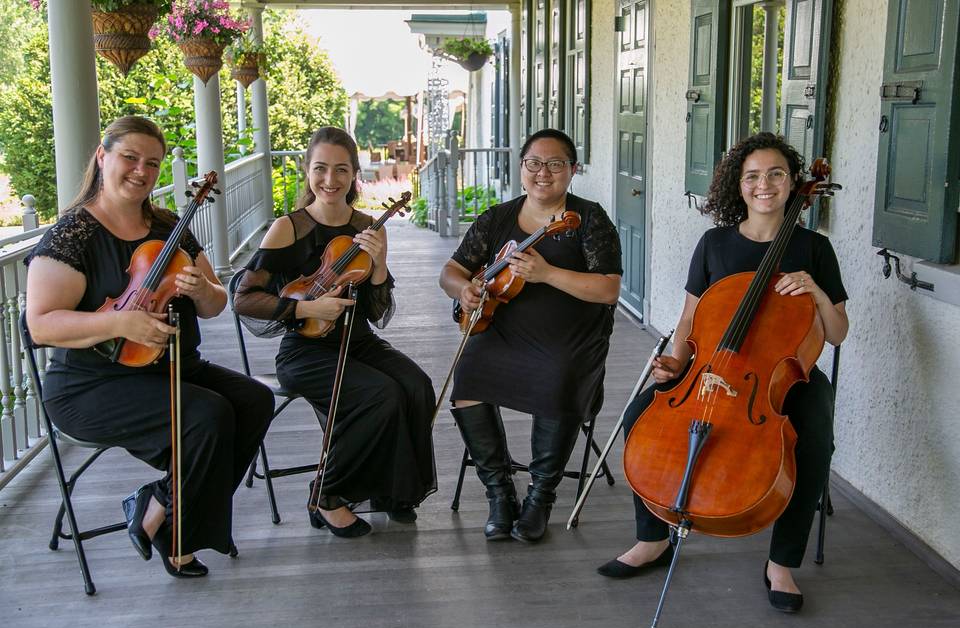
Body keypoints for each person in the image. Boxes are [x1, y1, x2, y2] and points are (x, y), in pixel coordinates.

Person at [597, 132, 848, 613]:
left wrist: (816, 292)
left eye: (776, 174)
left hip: (782, 377)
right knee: (639, 415)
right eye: (752, 176)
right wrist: (675, 364)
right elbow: (692, 321)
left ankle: (781, 563)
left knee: (813, 433)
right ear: (738, 185)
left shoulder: (814, 249)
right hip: (712, 370)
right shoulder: (714, 244)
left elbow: (836, 333)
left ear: (793, 182)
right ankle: (653, 538)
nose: (764, 185)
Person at [24, 115, 275, 578]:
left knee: (255, 400)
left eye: (153, 163)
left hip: (174, 368)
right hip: (93, 383)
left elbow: (216, 303)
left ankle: (161, 503)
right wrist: (121, 321)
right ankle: (177, 535)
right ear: (103, 157)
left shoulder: (168, 225)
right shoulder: (74, 234)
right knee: (207, 416)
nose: (142, 170)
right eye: (130, 158)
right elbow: (41, 325)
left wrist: (201, 289)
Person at [233, 126, 436, 538]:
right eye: (321, 168)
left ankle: (390, 492)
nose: (330, 180)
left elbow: (377, 313)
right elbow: (245, 299)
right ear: (307, 171)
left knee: (416, 385)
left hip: (357, 341)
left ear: (354, 174)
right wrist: (307, 306)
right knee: (380, 394)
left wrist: (378, 264)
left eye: (341, 170)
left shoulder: (367, 227)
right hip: (305, 350)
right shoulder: (288, 227)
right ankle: (326, 495)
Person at [439, 128, 623, 543]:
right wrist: (463, 289)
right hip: (502, 328)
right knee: (468, 375)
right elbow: (451, 272)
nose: (544, 173)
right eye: (534, 163)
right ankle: (500, 494)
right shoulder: (496, 218)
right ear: (521, 168)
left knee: (558, 374)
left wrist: (548, 274)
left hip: (570, 337)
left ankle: (540, 497)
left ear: (572, 170)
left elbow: (608, 288)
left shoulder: (588, 220)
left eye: (555, 164)